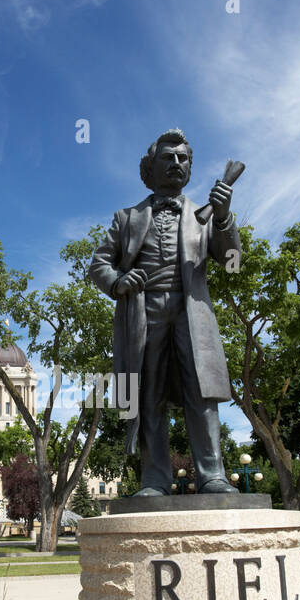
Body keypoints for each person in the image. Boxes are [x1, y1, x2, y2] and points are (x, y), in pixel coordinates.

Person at [88, 128, 241, 495]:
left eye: (183, 158)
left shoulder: (205, 217)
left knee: (201, 394)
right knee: (146, 394)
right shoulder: (126, 218)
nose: (176, 163)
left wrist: (223, 219)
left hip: (193, 312)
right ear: (149, 167)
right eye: (167, 158)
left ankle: (213, 475)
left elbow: (233, 263)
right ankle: (155, 479)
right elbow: (98, 264)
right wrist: (119, 281)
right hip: (143, 312)